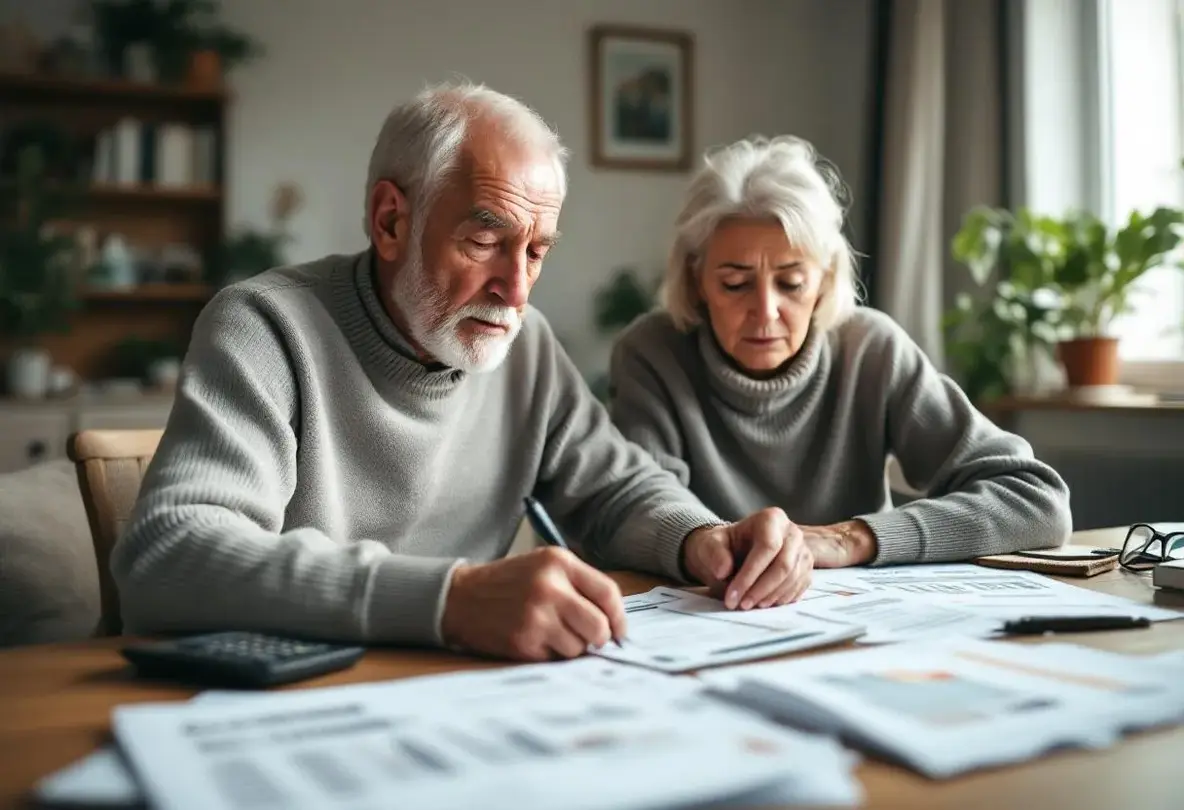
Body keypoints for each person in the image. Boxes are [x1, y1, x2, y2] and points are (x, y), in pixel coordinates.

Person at [111, 84, 816, 663]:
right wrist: (451, 599)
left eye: (537, 251)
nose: (516, 289)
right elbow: (170, 554)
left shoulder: (526, 346)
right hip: (294, 701)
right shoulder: (265, 327)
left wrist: (702, 538)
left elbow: (615, 488)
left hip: (459, 692)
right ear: (390, 221)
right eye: (485, 241)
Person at [608, 135, 1072, 572]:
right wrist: (711, 545)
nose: (765, 311)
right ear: (696, 280)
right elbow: (634, 508)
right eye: (735, 283)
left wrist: (848, 539)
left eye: (791, 282)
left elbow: (1037, 501)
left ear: (826, 280)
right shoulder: (653, 353)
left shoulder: (871, 351)